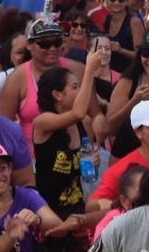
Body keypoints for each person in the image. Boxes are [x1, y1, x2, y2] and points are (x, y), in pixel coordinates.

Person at [33, 48, 104, 217]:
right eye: (75, 87)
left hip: (77, 208)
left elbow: (87, 173)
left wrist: (94, 163)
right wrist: (89, 70)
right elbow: (78, 112)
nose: (80, 92)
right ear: (57, 95)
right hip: (49, 212)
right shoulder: (43, 122)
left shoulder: (84, 123)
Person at [0, 18, 88, 150]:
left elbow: (94, 113)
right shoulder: (16, 79)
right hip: (33, 159)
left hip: (76, 156)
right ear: (29, 45)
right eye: (44, 44)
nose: (52, 48)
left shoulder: (78, 69)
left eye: (57, 42)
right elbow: (3, 128)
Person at [105, 27, 149, 161]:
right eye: (146, 53)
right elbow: (110, 128)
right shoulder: (128, 81)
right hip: (132, 153)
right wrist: (134, 102)